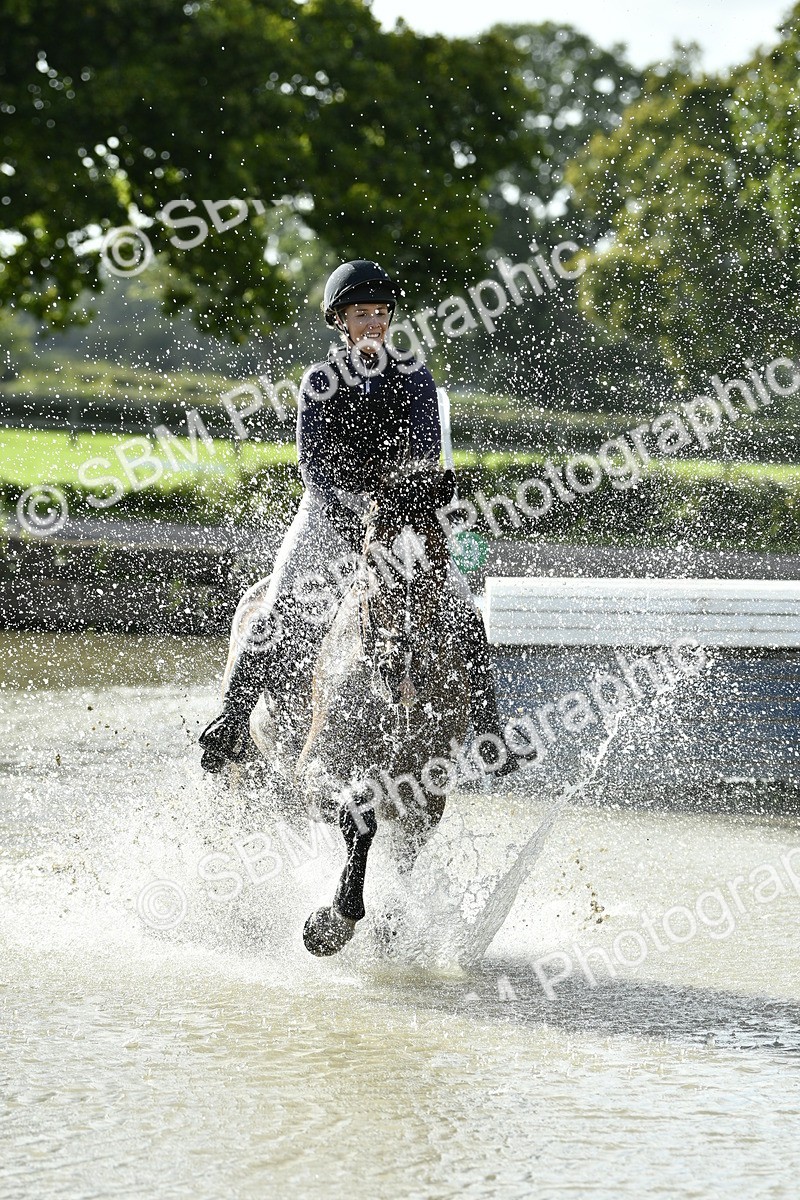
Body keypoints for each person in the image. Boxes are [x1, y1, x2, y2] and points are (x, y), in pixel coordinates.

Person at [199, 259, 518, 776]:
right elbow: (316, 468)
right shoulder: (320, 380)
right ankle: (232, 723)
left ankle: (486, 728)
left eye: (379, 313)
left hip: (401, 518)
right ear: (340, 321)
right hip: (331, 516)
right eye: (361, 313)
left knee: (459, 608)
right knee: (277, 609)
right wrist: (365, 499)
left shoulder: (413, 374)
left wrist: (401, 495)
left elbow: (424, 447)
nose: (372, 323)